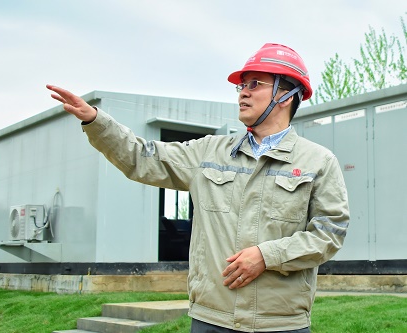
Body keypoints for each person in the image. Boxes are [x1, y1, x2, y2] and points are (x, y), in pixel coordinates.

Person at [46, 43, 350, 333]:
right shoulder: (208, 153)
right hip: (211, 319)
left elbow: (329, 234)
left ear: (286, 95)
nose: (242, 93)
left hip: (281, 323)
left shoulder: (318, 161)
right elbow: (143, 157)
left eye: (254, 84)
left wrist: (268, 255)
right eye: (240, 86)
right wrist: (97, 122)